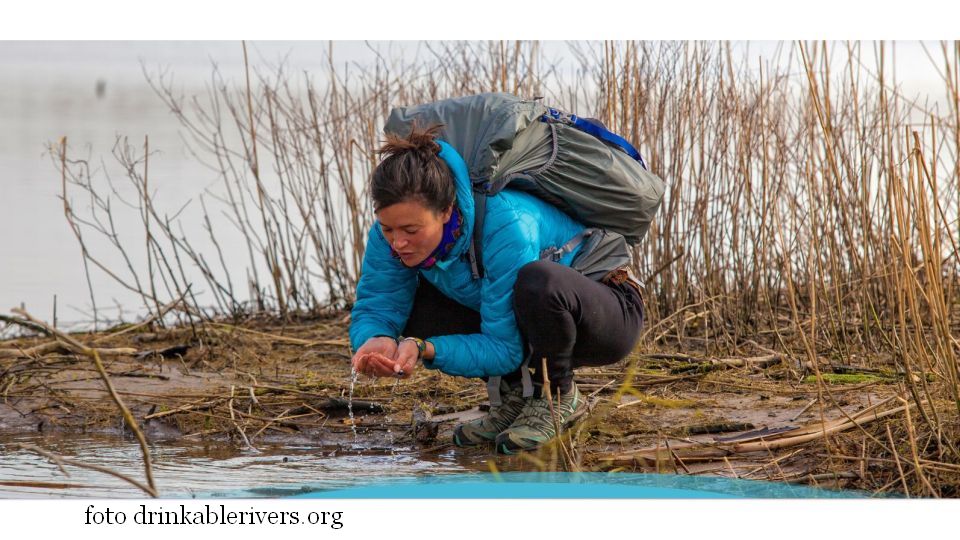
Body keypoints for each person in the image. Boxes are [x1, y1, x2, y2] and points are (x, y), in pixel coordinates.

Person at [349, 123, 645, 454]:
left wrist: (424, 349)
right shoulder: (388, 237)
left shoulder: (506, 223)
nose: (398, 241)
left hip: (605, 311)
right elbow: (379, 305)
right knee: (415, 306)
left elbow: (505, 348)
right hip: (527, 321)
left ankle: (557, 396)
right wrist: (375, 340)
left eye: (411, 229)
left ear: (447, 211)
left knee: (538, 282)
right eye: (388, 228)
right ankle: (516, 398)